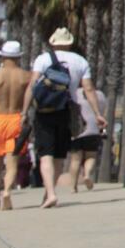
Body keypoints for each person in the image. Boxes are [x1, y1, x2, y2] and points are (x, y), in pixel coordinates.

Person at [28, 27, 107, 209]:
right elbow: (88, 89)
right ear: (70, 43)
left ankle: (51, 194)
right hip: (66, 111)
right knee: (58, 156)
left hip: (45, 111)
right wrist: (97, 114)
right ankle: (49, 193)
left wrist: (24, 111)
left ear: (53, 42)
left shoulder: (43, 59)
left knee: (45, 155)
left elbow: (32, 85)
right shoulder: (80, 61)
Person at [0, 42, 32, 211]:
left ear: (2, 56)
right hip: (16, 119)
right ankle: (7, 191)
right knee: (12, 163)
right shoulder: (26, 76)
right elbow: (32, 99)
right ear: (19, 57)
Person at [70, 79, 107, 192]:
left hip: (77, 130)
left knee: (75, 159)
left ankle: (73, 187)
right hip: (93, 130)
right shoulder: (100, 95)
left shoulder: (74, 93)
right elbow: (102, 110)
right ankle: (86, 174)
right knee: (91, 156)